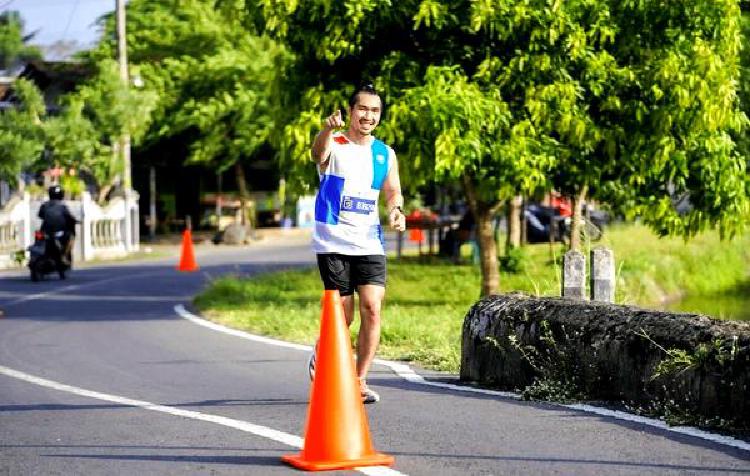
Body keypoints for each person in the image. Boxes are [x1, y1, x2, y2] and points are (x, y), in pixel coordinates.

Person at [308, 82, 405, 404]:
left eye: (375, 110)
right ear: (351, 111)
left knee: (373, 309)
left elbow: (393, 191)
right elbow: (317, 155)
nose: (368, 115)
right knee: (344, 317)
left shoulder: (384, 153)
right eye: (362, 108)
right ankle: (323, 351)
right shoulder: (334, 143)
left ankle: (360, 380)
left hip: (369, 241)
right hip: (332, 240)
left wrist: (396, 211)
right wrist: (325, 130)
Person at [38, 185, 77, 267]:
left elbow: (40, 215)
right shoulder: (62, 207)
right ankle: (63, 257)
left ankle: (60, 257)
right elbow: (69, 217)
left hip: (45, 231)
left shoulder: (45, 205)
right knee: (70, 237)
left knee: (39, 239)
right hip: (58, 232)